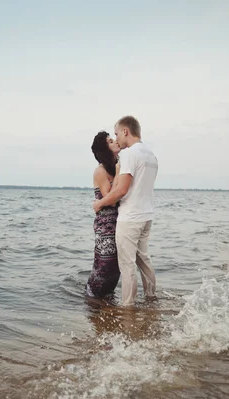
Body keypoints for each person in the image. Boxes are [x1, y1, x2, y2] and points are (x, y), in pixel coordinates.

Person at [93, 116, 158, 306]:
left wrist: (98, 204)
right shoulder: (151, 154)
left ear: (125, 131)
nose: (117, 138)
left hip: (130, 218)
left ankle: (128, 307)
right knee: (144, 260)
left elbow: (122, 190)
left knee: (127, 264)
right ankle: (151, 299)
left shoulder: (130, 154)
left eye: (116, 134)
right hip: (147, 216)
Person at [85, 131, 121, 299]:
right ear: (105, 149)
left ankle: (108, 299)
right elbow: (111, 200)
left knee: (116, 266)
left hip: (120, 221)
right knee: (105, 264)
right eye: (110, 141)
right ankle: (93, 297)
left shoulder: (117, 166)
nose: (115, 142)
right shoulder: (101, 171)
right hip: (105, 224)